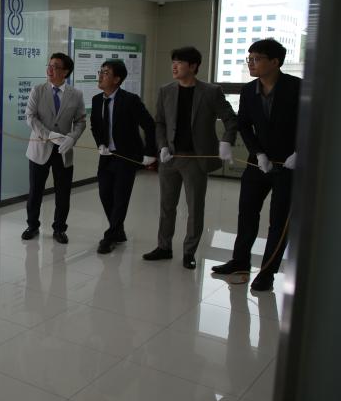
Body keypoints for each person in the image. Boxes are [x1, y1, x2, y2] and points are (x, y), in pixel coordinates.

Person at [212, 39, 299, 291]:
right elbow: (244, 125)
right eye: (249, 58)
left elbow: (315, 124)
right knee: (246, 213)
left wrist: (300, 152)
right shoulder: (249, 90)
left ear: (275, 62)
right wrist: (258, 153)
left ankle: (267, 272)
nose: (251, 63)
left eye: (257, 59)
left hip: (289, 165)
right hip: (258, 163)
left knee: (279, 220)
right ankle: (240, 262)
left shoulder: (298, 88)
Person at [143, 46, 238, 269]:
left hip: (196, 159)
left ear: (193, 66)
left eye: (179, 62)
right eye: (173, 62)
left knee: (194, 207)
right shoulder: (166, 90)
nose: (174, 66)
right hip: (170, 158)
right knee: (167, 205)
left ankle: (189, 252)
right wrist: (162, 146)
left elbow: (231, 119)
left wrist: (227, 141)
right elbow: (160, 122)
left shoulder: (211, 92)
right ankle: (164, 247)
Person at [90, 59, 157, 254]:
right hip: (106, 156)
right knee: (105, 194)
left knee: (120, 197)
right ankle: (118, 230)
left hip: (127, 157)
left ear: (117, 79)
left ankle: (110, 236)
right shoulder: (96, 100)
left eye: (106, 73)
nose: (101, 76)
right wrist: (100, 144)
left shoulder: (130, 100)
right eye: (101, 72)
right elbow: (95, 126)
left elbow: (149, 125)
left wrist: (149, 153)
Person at [22, 52, 86, 244]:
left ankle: (59, 229)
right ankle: (32, 225)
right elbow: (30, 117)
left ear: (65, 72)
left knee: (63, 193)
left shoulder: (76, 95)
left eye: (55, 66)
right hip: (39, 149)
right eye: (49, 65)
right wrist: (48, 134)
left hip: (63, 151)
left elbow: (81, 121)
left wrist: (72, 138)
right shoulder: (38, 90)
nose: (50, 69)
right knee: (35, 191)